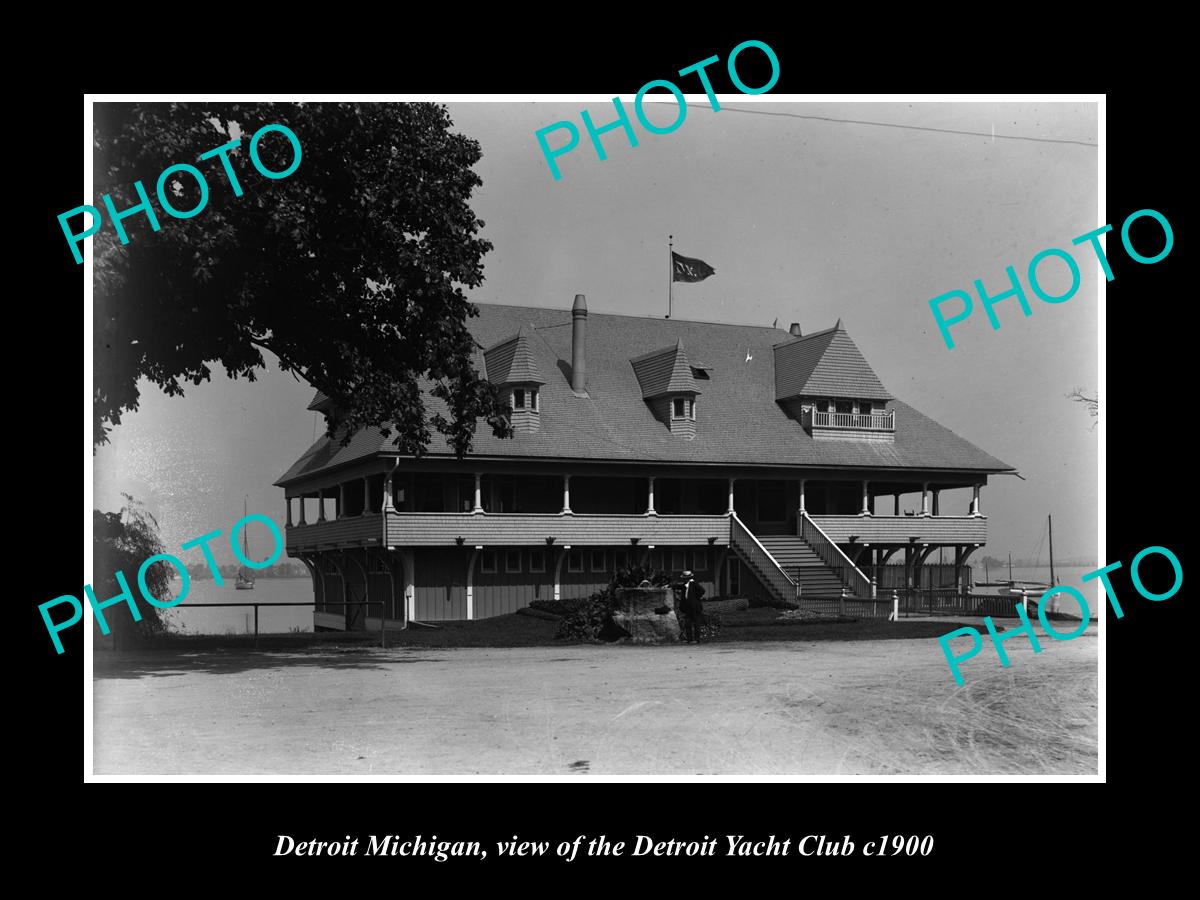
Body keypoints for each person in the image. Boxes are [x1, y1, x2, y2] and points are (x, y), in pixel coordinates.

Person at [678, 570, 706, 644]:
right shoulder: (685, 585)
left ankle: (697, 639)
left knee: (696, 624)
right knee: (688, 623)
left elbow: (702, 590)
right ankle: (689, 639)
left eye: (685, 578)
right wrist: (670, 585)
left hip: (695, 607)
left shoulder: (694, 584)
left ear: (689, 578)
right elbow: (679, 586)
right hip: (688, 607)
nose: (684, 579)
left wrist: (695, 598)